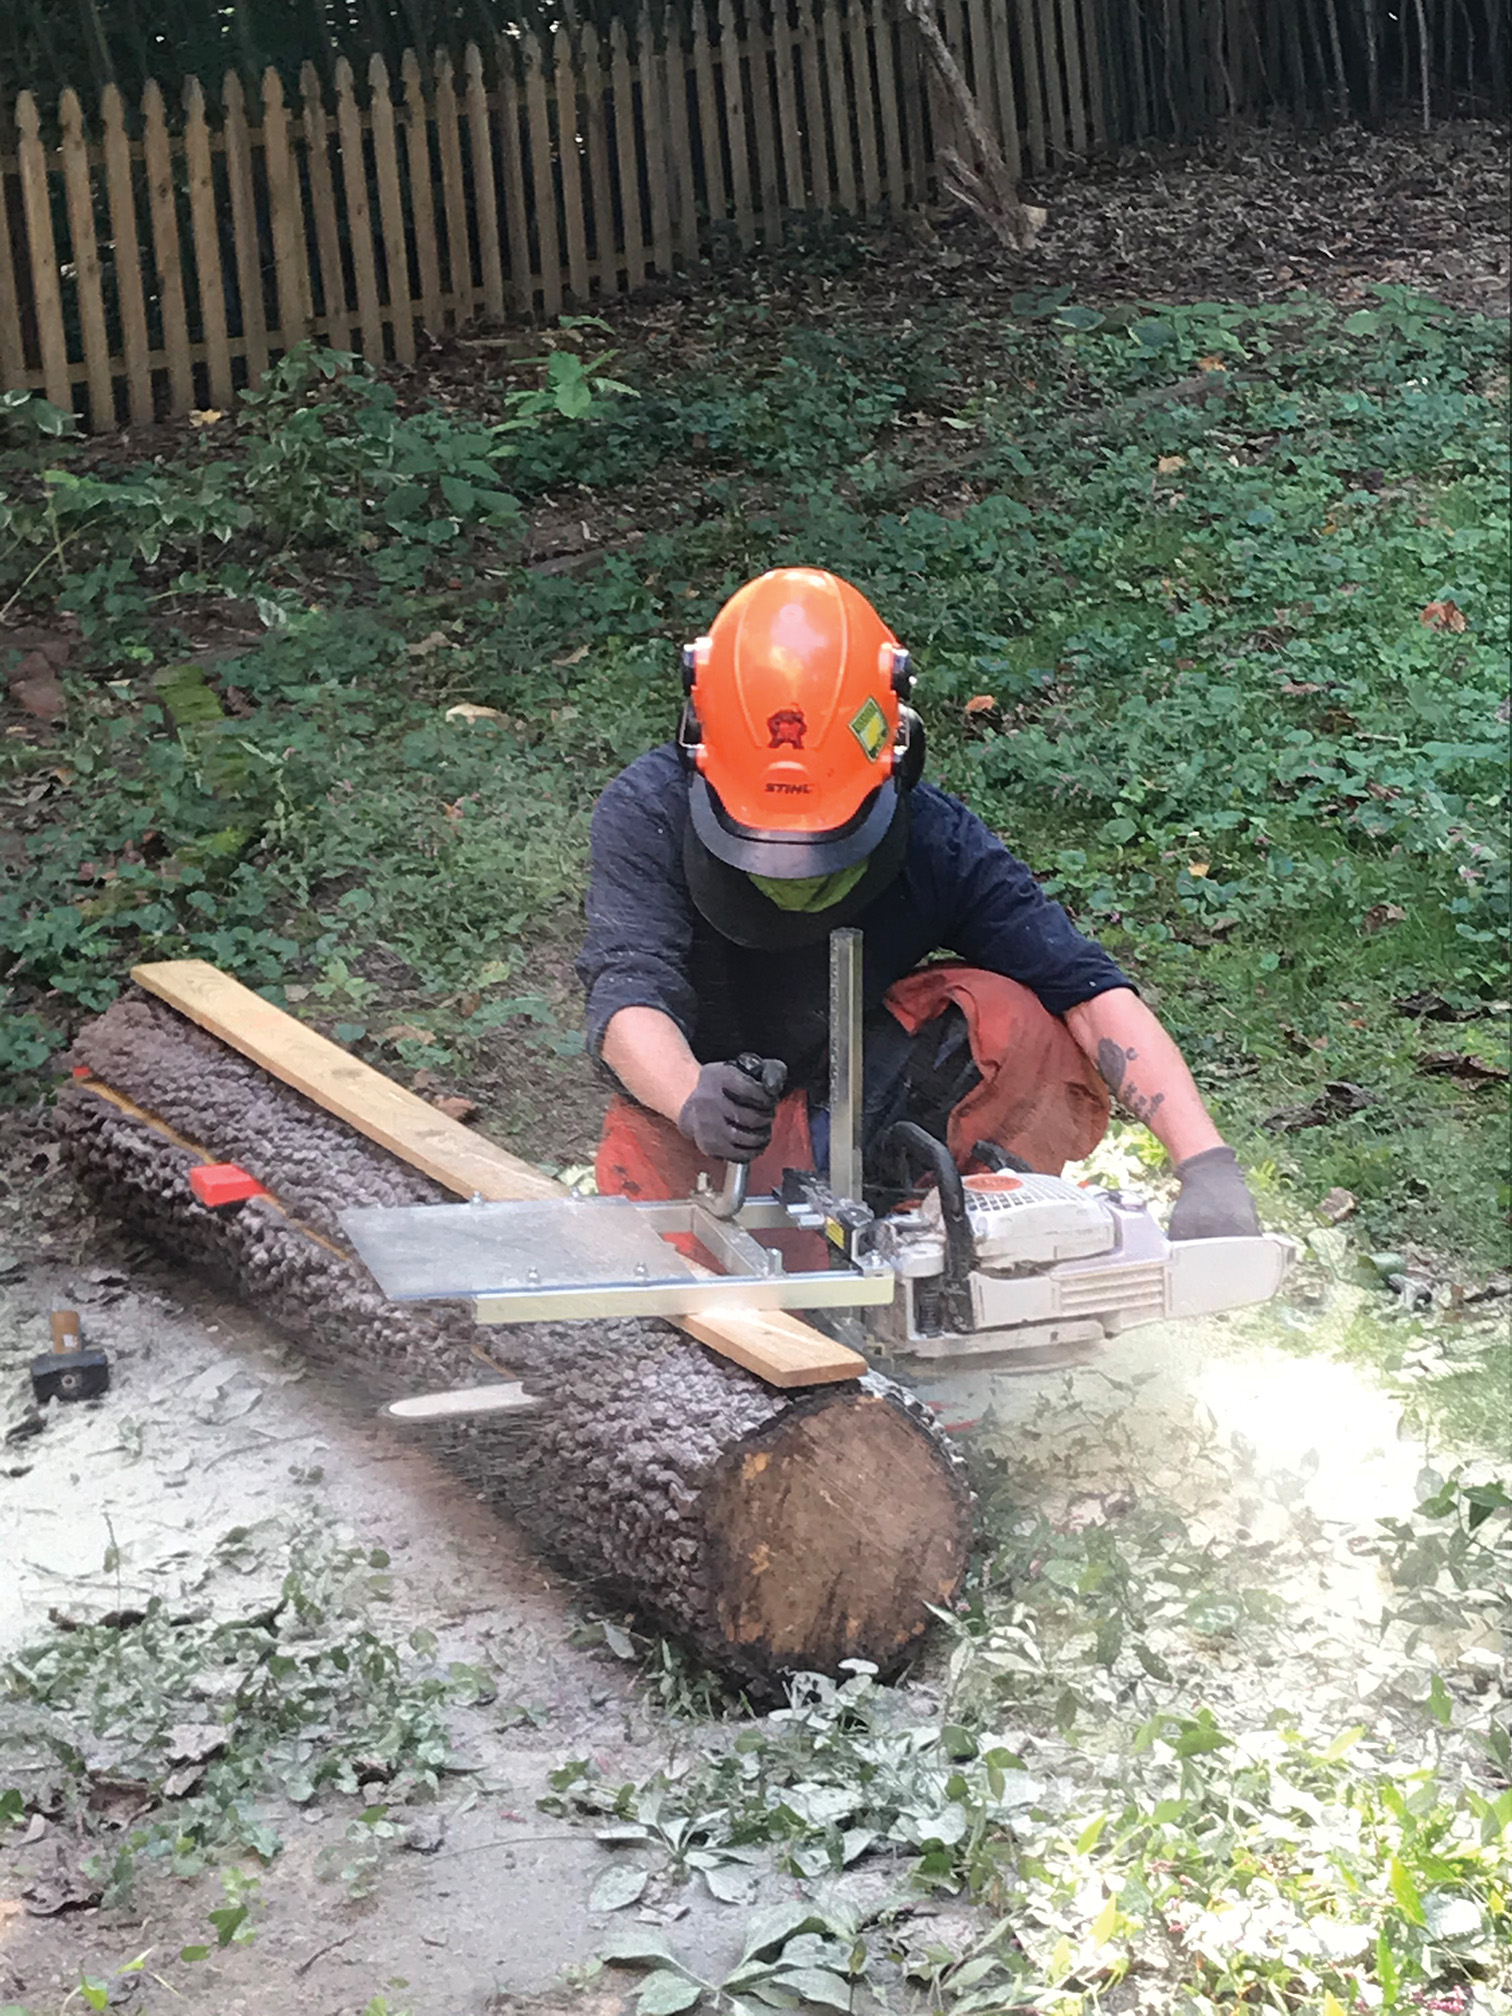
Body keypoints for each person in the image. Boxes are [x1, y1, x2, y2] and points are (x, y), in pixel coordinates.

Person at [576, 567, 1261, 1242]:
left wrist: (1205, 1163)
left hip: (856, 1099)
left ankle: (931, 1238)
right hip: (701, 1124)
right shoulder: (648, 812)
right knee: (664, 1291)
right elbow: (630, 990)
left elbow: (1086, 989)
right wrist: (691, 1094)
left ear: (892, 752)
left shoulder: (937, 840)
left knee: (1014, 1022)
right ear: (698, 743)